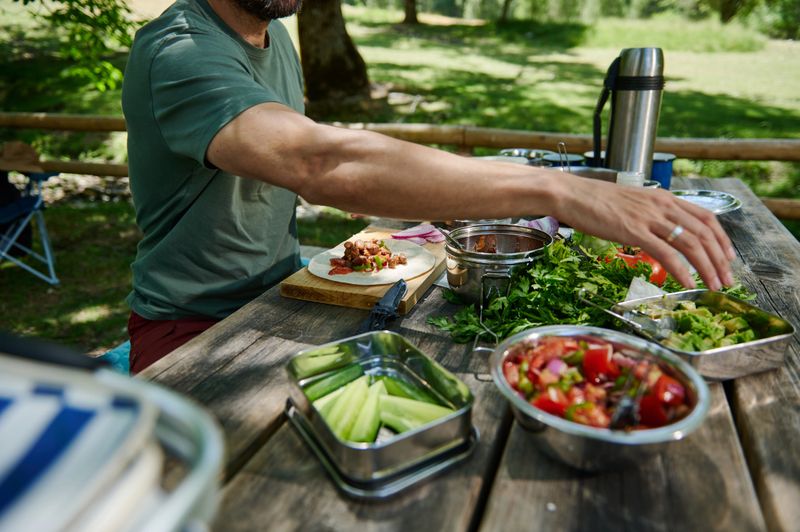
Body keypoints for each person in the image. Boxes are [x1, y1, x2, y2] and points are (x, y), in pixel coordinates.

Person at [121, 0, 734, 374]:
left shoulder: (274, 37)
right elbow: (316, 161)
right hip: (191, 330)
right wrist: (560, 191)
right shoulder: (180, 52)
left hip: (280, 296)